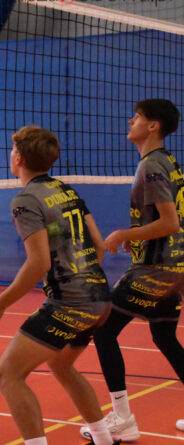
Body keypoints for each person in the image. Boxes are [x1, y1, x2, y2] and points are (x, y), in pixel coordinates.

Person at [0, 126, 116, 445]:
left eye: (13, 150)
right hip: (100, 297)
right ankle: (103, 438)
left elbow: (38, 264)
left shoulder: (25, 200)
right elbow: (98, 245)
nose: (10, 154)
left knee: (8, 374)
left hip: (71, 302)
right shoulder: (66, 190)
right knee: (61, 365)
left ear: (19, 158)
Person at [80, 99, 184, 442]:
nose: (130, 121)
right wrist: (139, 237)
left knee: (103, 329)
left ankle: (123, 419)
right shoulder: (168, 161)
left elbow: (170, 222)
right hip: (172, 267)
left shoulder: (151, 166)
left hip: (156, 270)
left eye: (137, 117)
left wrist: (125, 234)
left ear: (153, 125)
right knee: (164, 337)